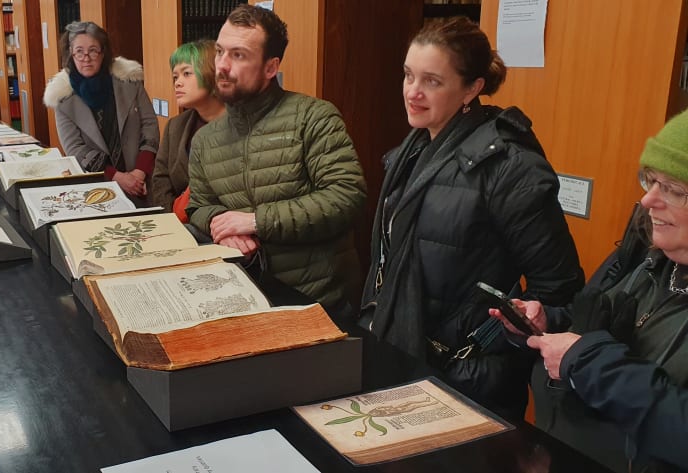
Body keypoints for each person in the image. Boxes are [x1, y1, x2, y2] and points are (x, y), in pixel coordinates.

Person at [359, 16, 584, 418]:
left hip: (470, 378)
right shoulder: (411, 152)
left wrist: (506, 330)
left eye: (432, 81)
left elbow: (559, 287)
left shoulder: (510, 167)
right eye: (409, 75)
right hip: (404, 357)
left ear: (472, 88)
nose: (413, 92)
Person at [492, 109, 688, 472]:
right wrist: (545, 324)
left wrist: (585, 360)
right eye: (650, 181)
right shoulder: (642, 256)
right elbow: (590, 326)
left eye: (674, 189)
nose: (648, 201)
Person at [186, 5, 366, 310]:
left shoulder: (314, 117)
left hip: (319, 301)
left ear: (271, 68)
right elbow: (199, 206)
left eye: (238, 55)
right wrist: (222, 226)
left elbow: (346, 197)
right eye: (219, 51)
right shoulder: (205, 139)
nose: (222, 66)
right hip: (243, 295)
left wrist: (256, 221)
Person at [43, 21, 160, 203]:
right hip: (95, 189)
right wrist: (118, 177)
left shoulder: (129, 82)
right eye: (79, 51)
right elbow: (76, 149)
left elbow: (149, 126)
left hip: (142, 182)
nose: (86, 58)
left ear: (103, 53)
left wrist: (139, 173)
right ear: (71, 55)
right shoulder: (63, 97)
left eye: (93, 50)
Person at [151, 40, 226, 219]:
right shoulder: (175, 126)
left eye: (186, 73)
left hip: (224, 227)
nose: (178, 83)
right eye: (175, 77)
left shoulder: (240, 125)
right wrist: (173, 219)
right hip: (178, 224)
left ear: (211, 73)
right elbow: (160, 180)